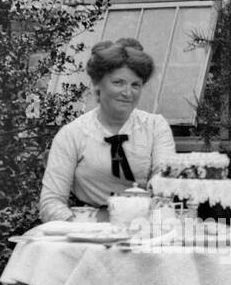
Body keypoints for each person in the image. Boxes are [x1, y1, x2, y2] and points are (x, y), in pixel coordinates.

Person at [38, 37, 175, 222]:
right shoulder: (72, 134)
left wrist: (154, 193)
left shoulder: (155, 127)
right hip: (87, 229)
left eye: (136, 85)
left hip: (144, 225)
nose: (128, 93)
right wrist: (80, 227)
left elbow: (165, 178)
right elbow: (50, 202)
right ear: (97, 84)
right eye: (118, 82)